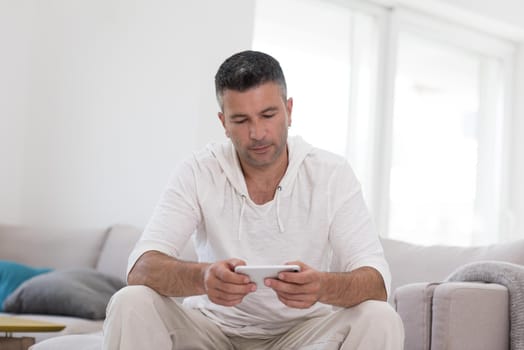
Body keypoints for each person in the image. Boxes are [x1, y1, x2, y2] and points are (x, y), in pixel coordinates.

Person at [103, 50, 404, 349]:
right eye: (241, 120)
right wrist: (204, 277)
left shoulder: (331, 174)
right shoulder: (198, 170)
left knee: (380, 316)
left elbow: (376, 282)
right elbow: (140, 268)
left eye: (268, 115)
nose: (258, 133)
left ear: (289, 110)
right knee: (131, 301)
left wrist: (322, 287)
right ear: (223, 123)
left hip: (303, 335)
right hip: (211, 331)